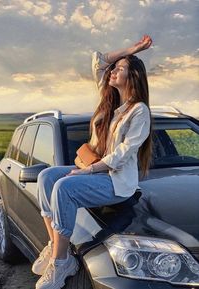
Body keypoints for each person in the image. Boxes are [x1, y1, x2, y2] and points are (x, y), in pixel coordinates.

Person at [33, 35, 153, 289]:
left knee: (64, 187)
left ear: (133, 78)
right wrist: (132, 50)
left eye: (120, 69)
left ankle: (62, 261)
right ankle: (56, 245)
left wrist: (88, 171)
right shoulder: (109, 101)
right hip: (95, 170)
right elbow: (99, 60)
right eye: (115, 67)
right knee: (46, 177)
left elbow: (124, 152)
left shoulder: (139, 111)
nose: (112, 71)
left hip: (116, 181)